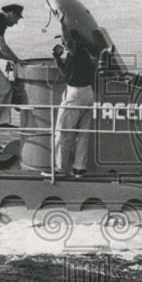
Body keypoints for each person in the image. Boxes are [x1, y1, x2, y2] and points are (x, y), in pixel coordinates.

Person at [51, 33, 98, 177]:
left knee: (63, 132)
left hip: (75, 94)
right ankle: (79, 168)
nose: (63, 43)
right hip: (88, 93)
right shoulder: (86, 53)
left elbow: (71, 45)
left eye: (64, 40)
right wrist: (58, 58)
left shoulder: (76, 51)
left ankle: (59, 169)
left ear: (74, 41)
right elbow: (66, 74)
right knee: (83, 134)